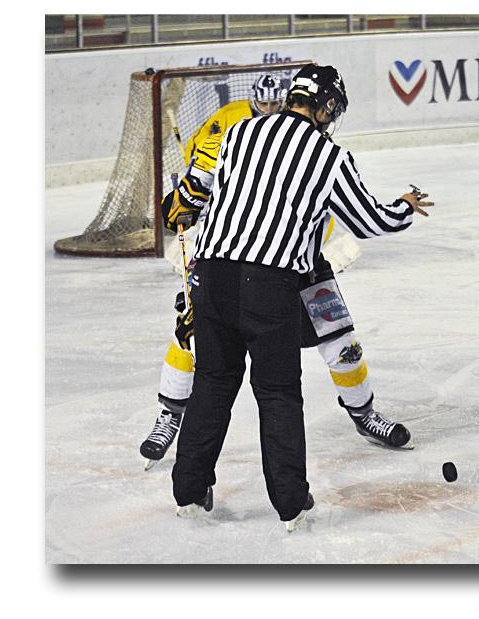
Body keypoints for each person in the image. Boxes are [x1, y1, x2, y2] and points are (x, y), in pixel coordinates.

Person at [166, 63, 432, 531]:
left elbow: (213, 195)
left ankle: (188, 489)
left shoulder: (240, 133)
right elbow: (370, 221)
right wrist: (404, 208)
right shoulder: (329, 156)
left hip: (212, 273)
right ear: (326, 106)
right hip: (269, 285)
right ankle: (290, 503)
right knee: (278, 394)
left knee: (213, 382)